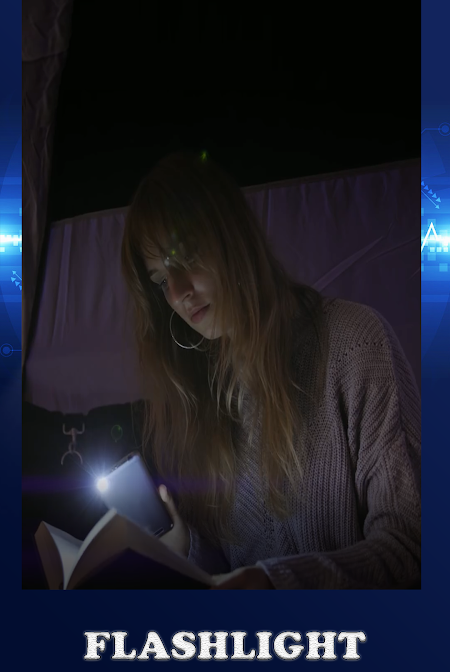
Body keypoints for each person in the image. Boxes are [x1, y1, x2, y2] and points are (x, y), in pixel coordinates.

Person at [121, 150, 421, 589]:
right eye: (162, 280)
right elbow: (227, 570)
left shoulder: (357, 343)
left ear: (233, 236)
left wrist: (272, 584)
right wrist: (185, 547)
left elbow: (412, 550)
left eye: (184, 257)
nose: (179, 291)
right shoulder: (203, 395)